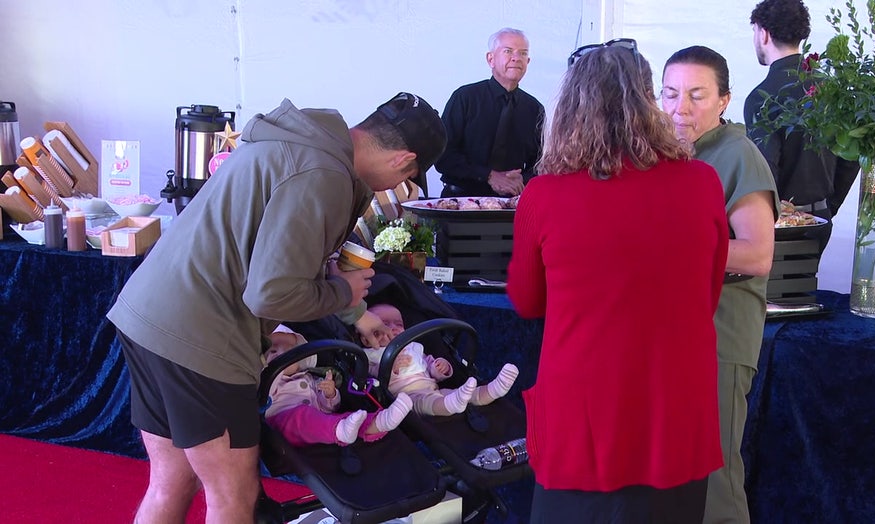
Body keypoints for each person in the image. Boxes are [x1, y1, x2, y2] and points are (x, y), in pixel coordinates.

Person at [106, 92, 446, 524]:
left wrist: (357, 314)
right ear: (404, 162)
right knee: (234, 495)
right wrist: (343, 293)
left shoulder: (300, 139)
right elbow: (271, 294)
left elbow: (275, 258)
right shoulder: (324, 173)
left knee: (172, 478)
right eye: (410, 177)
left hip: (148, 316)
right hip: (203, 338)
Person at [507, 39, 730, 523]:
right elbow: (708, 293)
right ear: (649, 100)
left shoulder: (544, 196)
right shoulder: (701, 182)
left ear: (568, 109)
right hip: (675, 405)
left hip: (584, 411)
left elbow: (526, 301)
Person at [661, 46, 780, 524]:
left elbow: (757, 253)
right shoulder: (672, 153)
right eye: (670, 94)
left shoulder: (737, 156)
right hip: (676, 334)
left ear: (725, 100)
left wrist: (665, 249)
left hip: (721, 336)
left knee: (715, 477)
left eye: (696, 95)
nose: (680, 108)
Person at [745, 0, 861, 254]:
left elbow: (765, 172)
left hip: (779, 225)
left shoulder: (762, 97)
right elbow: (851, 158)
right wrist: (827, 207)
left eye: (754, 32)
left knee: (772, 295)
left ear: (763, 33)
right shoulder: (834, 90)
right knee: (805, 292)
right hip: (821, 218)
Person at [435, 27, 545, 198]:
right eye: (508, 51)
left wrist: (521, 179)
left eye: (523, 53)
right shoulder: (465, 98)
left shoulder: (534, 108)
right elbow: (443, 156)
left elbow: (541, 162)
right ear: (490, 59)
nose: (516, 58)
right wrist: (489, 175)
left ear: (528, 61)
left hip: (512, 206)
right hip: (461, 204)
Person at [358, 303, 519, 416]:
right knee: (432, 402)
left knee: (456, 393)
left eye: (398, 324)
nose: (394, 328)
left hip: (433, 388)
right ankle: (453, 404)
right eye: (385, 324)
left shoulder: (413, 346)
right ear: (366, 338)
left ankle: (491, 390)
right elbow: (370, 374)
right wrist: (390, 368)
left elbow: (427, 362)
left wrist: (440, 368)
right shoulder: (371, 353)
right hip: (405, 398)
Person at [264, 326, 413, 447]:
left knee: (349, 419)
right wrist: (275, 368)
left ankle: (379, 422)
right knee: (302, 417)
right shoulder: (267, 382)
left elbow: (328, 408)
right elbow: (265, 395)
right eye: (273, 351)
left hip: (322, 422)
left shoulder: (309, 378)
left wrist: (329, 395)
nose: (281, 354)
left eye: (289, 351)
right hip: (283, 424)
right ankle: (340, 430)